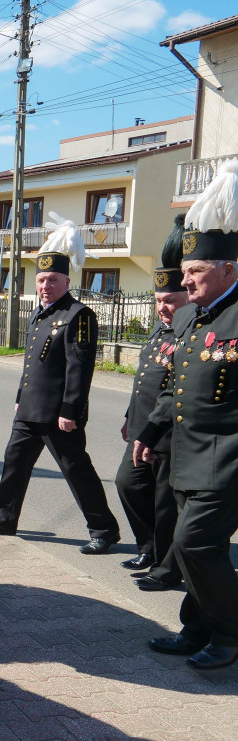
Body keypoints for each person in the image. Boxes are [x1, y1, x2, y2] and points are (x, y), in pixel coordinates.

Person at [137, 159, 238, 670]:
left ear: (228, 269)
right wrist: (152, 429)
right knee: (187, 545)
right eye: (185, 273)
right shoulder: (198, 318)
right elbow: (176, 384)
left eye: (196, 271)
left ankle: (228, 633)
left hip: (227, 461)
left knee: (195, 543)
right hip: (186, 455)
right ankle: (197, 626)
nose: (188, 281)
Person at [0, 215, 120, 554]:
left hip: (58, 414)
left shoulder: (79, 315)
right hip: (29, 409)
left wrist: (71, 410)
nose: (44, 286)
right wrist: (20, 397)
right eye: (40, 280)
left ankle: (104, 529)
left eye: (52, 280)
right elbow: (31, 366)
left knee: (76, 470)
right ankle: (3, 518)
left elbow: (79, 368)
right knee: (14, 463)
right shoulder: (40, 314)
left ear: (66, 281)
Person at [115, 216, 186, 591]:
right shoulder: (160, 329)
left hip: (168, 433)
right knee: (128, 484)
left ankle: (167, 563)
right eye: (159, 300)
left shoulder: (191, 332)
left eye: (170, 300)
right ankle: (148, 546)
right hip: (142, 428)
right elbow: (143, 379)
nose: (162, 307)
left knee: (165, 503)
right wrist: (130, 417)